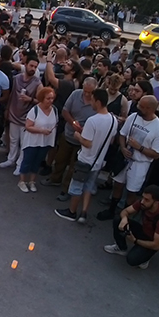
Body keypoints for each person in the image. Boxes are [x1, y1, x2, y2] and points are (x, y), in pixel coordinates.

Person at [55, 89, 118, 223]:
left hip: (85, 159)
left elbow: (87, 143)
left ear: (98, 102)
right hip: (98, 161)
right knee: (89, 186)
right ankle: (84, 212)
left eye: (92, 100)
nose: (91, 103)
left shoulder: (92, 120)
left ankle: (72, 212)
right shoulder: (113, 119)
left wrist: (78, 136)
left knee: (77, 186)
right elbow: (111, 140)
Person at [104, 185, 159, 269]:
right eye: (143, 197)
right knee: (118, 219)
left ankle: (145, 258)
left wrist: (135, 240)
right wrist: (124, 219)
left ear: (156, 202)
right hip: (143, 230)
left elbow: (156, 245)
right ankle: (121, 247)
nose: (142, 201)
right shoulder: (143, 204)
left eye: (147, 200)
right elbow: (126, 211)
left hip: (151, 240)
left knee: (132, 260)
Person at [0, 54, 41, 174]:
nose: (33, 68)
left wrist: (30, 100)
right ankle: (11, 159)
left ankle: (20, 164)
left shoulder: (38, 83)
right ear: (25, 65)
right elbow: (11, 95)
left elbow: (41, 101)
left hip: (26, 118)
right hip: (14, 114)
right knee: (13, 140)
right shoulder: (16, 78)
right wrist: (7, 110)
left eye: (35, 67)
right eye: (31, 65)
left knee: (24, 143)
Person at [18, 86, 58, 192]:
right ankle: (22, 181)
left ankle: (32, 181)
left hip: (45, 142)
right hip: (32, 141)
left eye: (52, 98)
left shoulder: (54, 109)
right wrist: (42, 131)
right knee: (27, 161)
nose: (51, 101)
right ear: (42, 98)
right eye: (48, 98)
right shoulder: (34, 110)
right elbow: (28, 126)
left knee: (37, 162)